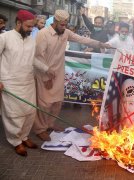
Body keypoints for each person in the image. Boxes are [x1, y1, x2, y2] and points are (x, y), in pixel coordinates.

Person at [33, 9, 111, 141]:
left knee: (57, 101)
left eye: (66, 24)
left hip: (58, 73)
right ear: (55, 22)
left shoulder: (65, 32)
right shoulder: (43, 34)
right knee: (44, 103)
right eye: (62, 25)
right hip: (44, 73)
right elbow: (36, 58)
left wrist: (99, 44)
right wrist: (46, 73)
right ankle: (40, 129)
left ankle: (50, 124)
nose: (64, 27)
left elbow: (82, 40)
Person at [0, 10, 54, 156]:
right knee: (14, 114)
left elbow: (33, 59)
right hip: (10, 83)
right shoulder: (4, 38)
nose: (32, 30)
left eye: (33, 27)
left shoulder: (30, 40)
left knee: (29, 112)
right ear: (18, 23)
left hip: (28, 82)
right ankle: (15, 142)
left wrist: (46, 69)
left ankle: (24, 137)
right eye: (29, 27)